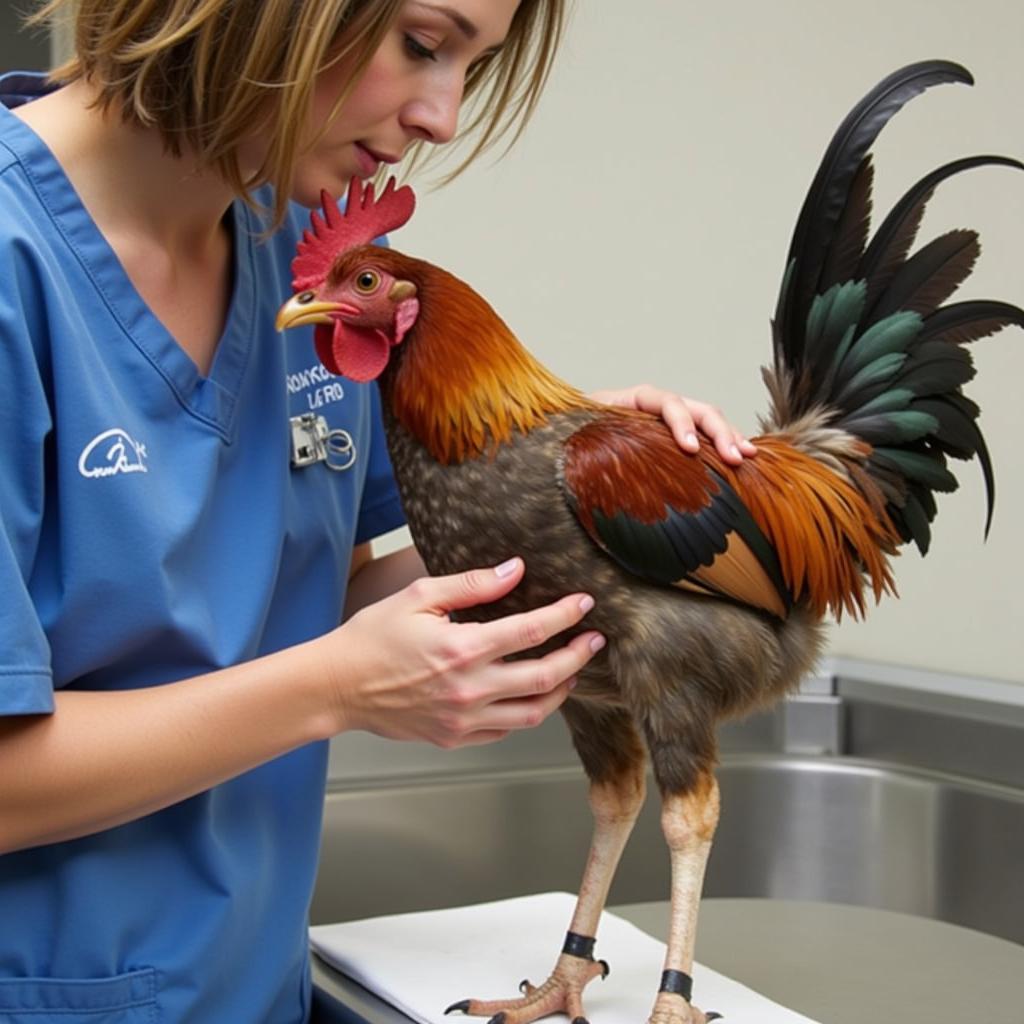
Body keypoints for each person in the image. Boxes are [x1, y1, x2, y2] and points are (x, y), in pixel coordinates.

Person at [0, 1, 756, 1020]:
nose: (442, 117)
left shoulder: (287, 237)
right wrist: (334, 690)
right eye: (422, 42)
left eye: (471, 66)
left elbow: (319, 583)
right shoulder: (18, 266)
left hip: (254, 989)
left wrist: (574, 504)